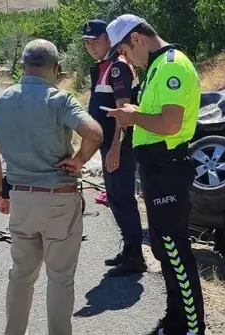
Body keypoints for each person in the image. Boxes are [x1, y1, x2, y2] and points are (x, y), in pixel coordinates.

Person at [0, 39, 103, 335]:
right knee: (60, 276)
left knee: (21, 274)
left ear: (23, 66)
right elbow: (94, 132)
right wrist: (78, 161)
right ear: (55, 68)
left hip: (20, 197)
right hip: (58, 199)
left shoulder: (0, 103)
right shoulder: (59, 99)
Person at [105, 15, 207, 335]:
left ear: (136, 38)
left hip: (168, 169)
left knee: (176, 251)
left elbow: (170, 124)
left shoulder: (170, 65)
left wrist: (133, 117)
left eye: (124, 50)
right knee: (165, 251)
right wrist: (133, 115)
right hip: (155, 168)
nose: (125, 58)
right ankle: (175, 322)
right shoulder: (155, 69)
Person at [82, 19, 146, 276]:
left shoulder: (117, 68)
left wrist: (116, 149)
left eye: (96, 41)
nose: (91, 47)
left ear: (109, 39)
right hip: (108, 144)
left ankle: (135, 256)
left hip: (117, 145)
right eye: (87, 43)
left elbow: (123, 112)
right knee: (116, 198)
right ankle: (129, 250)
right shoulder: (104, 66)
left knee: (122, 197)